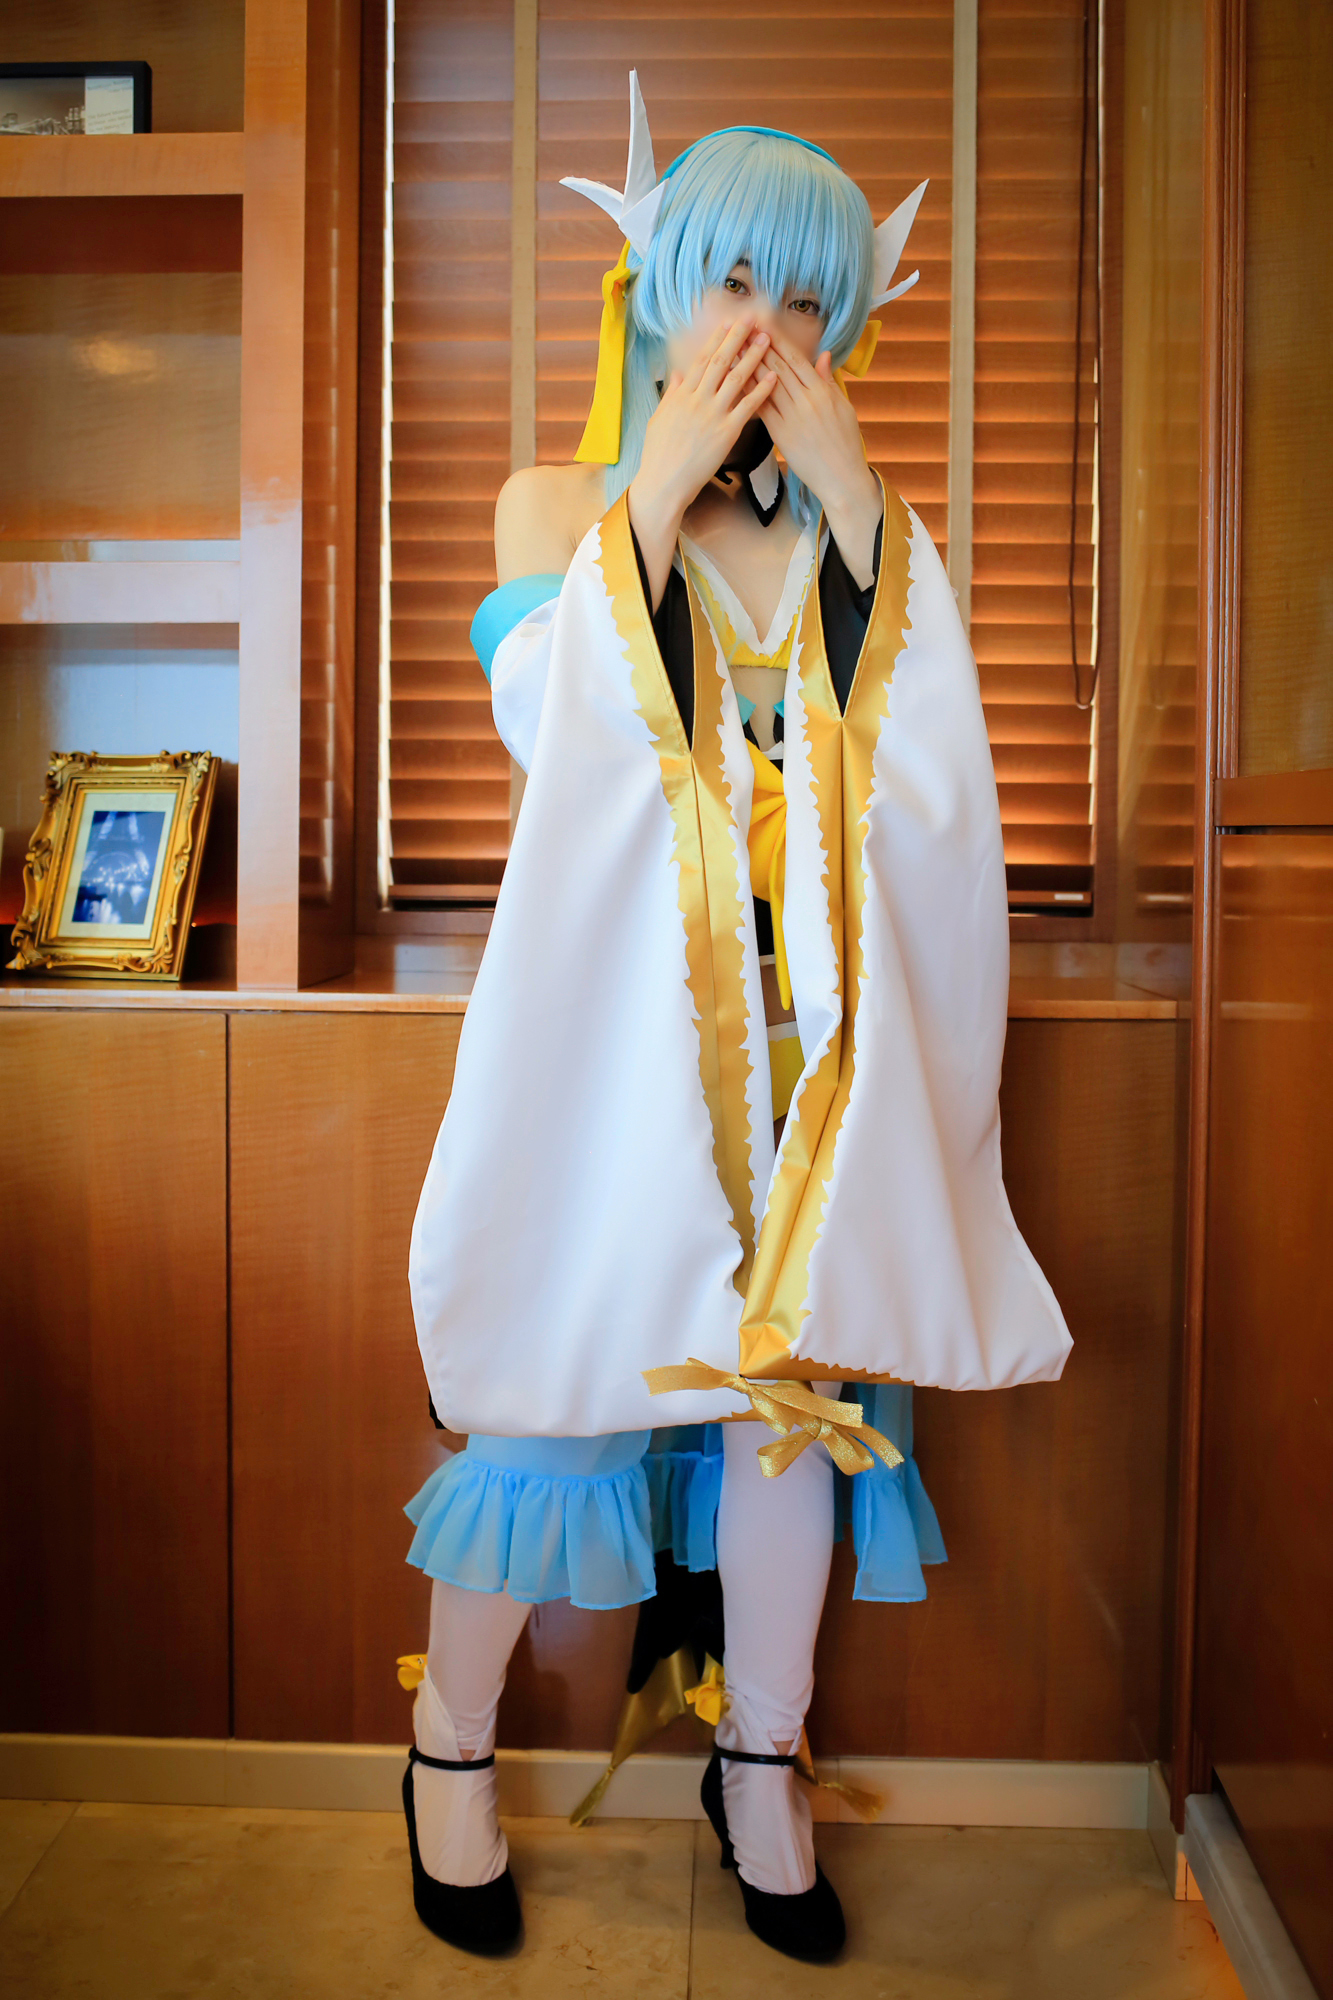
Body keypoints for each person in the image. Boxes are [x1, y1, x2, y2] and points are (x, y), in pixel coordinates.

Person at [401, 76, 1072, 1966]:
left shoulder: (877, 537)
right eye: (730, 283)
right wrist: (657, 489)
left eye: (806, 296)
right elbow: (553, 733)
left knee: (791, 1422)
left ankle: (761, 1770)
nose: (765, 329)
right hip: (620, 1072)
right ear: (657, 285)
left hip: (814, 1080)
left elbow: (931, 783)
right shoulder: (564, 506)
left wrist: (854, 506)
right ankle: (447, 1754)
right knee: (551, 1423)